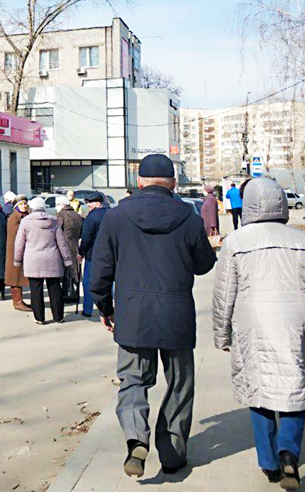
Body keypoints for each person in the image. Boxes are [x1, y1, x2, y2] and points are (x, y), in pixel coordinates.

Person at [89, 154, 217, 478]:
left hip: (132, 314)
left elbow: (100, 273)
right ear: (173, 183)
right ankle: (172, 456)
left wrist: (106, 309)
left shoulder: (116, 217)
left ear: (140, 181)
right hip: (176, 315)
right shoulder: (188, 218)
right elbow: (203, 265)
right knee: (180, 385)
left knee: (133, 381)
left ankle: (136, 440)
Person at [212, 178, 305, 489]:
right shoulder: (302, 240)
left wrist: (222, 335)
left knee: (259, 390)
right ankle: (289, 455)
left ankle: (269, 464)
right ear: (281, 202)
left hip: (253, 322)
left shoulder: (236, 241)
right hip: (298, 320)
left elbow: (224, 294)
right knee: (295, 389)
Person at [14, 196, 73, 324]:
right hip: (52, 258)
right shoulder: (53, 221)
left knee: (35, 289)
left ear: (32, 207)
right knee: (55, 288)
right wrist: (67, 259)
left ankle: (39, 318)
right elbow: (61, 242)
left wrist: (17, 259)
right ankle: (59, 316)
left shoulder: (26, 221)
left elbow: (19, 243)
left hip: (33, 259)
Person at [78, 192, 108, 318]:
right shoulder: (112, 214)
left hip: (93, 254)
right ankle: (105, 309)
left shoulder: (92, 217)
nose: (88, 205)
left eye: (90, 202)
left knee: (88, 283)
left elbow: (86, 238)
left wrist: (81, 252)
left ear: (97, 203)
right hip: (109, 255)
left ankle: (87, 310)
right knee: (107, 283)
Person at [5, 196, 32, 312]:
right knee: (15, 276)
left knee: (20, 276)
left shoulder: (26, 216)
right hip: (15, 250)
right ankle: (17, 302)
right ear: (16, 206)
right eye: (21, 204)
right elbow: (16, 235)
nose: (24, 206)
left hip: (24, 250)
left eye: (25, 203)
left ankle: (20, 300)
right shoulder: (13, 218)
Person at [56, 196, 84, 289]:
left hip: (65, 245)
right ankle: (74, 293)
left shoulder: (62, 215)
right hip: (75, 244)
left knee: (66, 270)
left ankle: (67, 293)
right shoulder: (76, 214)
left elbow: (58, 231)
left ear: (60, 204)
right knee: (75, 270)